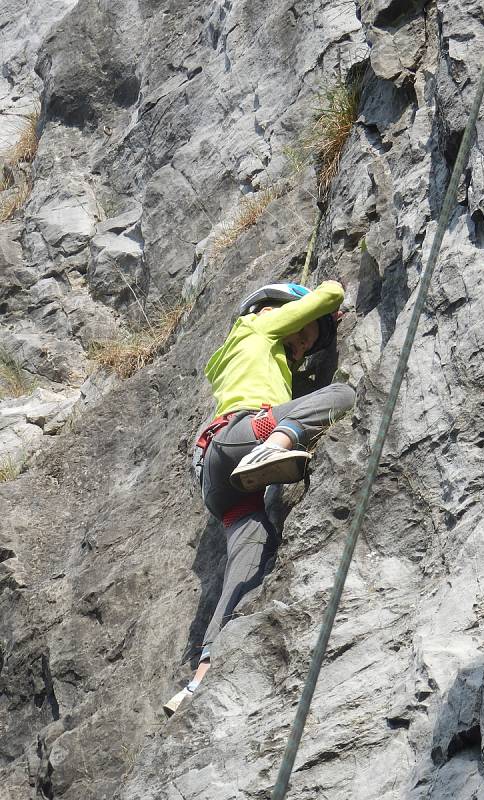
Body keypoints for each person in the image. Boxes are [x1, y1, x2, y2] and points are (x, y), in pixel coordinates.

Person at [163, 280, 355, 716]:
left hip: (218, 481)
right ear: (272, 310)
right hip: (240, 436)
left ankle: (200, 675)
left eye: (309, 342)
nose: (304, 344)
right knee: (343, 394)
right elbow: (331, 293)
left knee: (253, 551)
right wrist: (324, 304)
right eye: (302, 331)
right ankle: (281, 440)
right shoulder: (257, 327)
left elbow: (290, 367)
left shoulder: (244, 355)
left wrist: (301, 350)